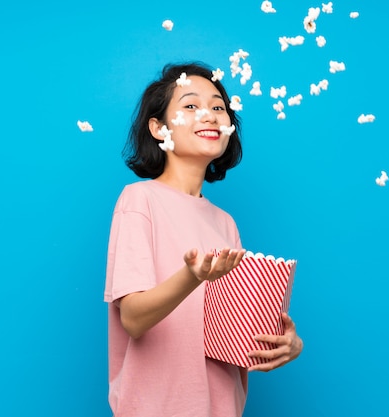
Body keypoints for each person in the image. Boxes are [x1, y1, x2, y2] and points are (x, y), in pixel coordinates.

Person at [103, 61, 303, 417]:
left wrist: (283, 342)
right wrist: (191, 277)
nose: (209, 116)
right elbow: (132, 319)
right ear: (159, 127)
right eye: (191, 106)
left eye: (218, 107)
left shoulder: (225, 224)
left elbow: (234, 330)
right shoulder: (138, 201)